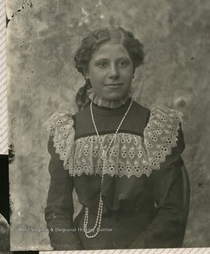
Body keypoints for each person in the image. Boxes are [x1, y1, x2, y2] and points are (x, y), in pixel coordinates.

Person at [44, 26, 189, 250]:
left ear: (134, 69)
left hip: (143, 245)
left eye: (122, 63)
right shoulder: (68, 130)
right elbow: (57, 211)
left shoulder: (156, 127)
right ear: (86, 72)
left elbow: (172, 210)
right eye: (102, 64)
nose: (114, 73)